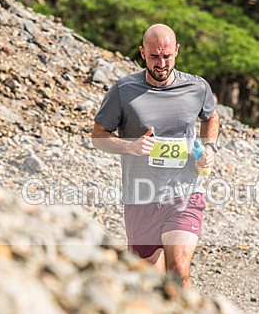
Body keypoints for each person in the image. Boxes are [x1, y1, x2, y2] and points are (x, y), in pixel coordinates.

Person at [91, 23, 219, 289]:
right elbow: (98, 136)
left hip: (184, 193)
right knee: (148, 283)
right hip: (140, 196)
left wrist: (209, 148)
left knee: (178, 271)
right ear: (142, 53)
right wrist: (130, 146)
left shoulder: (197, 87)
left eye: (167, 56)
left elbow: (211, 116)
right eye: (154, 56)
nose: (161, 63)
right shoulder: (123, 91)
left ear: (177, 51)